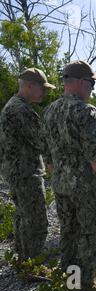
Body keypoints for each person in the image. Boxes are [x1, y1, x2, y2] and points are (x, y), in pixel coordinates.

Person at [42, 60, 96, 291]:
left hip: (61, 186)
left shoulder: (49, 111)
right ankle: (83, 287)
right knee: (93, 234)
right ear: (79, 83)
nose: (92, 89)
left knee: (69, 233)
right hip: (85, 189)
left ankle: (70, 281)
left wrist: (60, 177)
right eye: (91, 84)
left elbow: (47, 154)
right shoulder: (86, 112)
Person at [0, 68, 55, 261]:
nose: (45, 92)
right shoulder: (21, 109)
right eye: (42, 88)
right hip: (26, 172)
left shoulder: (13, 105)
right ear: (30, 86)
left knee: (24, 215)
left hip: (17, 171)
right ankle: (32, 263)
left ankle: (23, 258)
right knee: (36, 220)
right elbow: (42, 141)